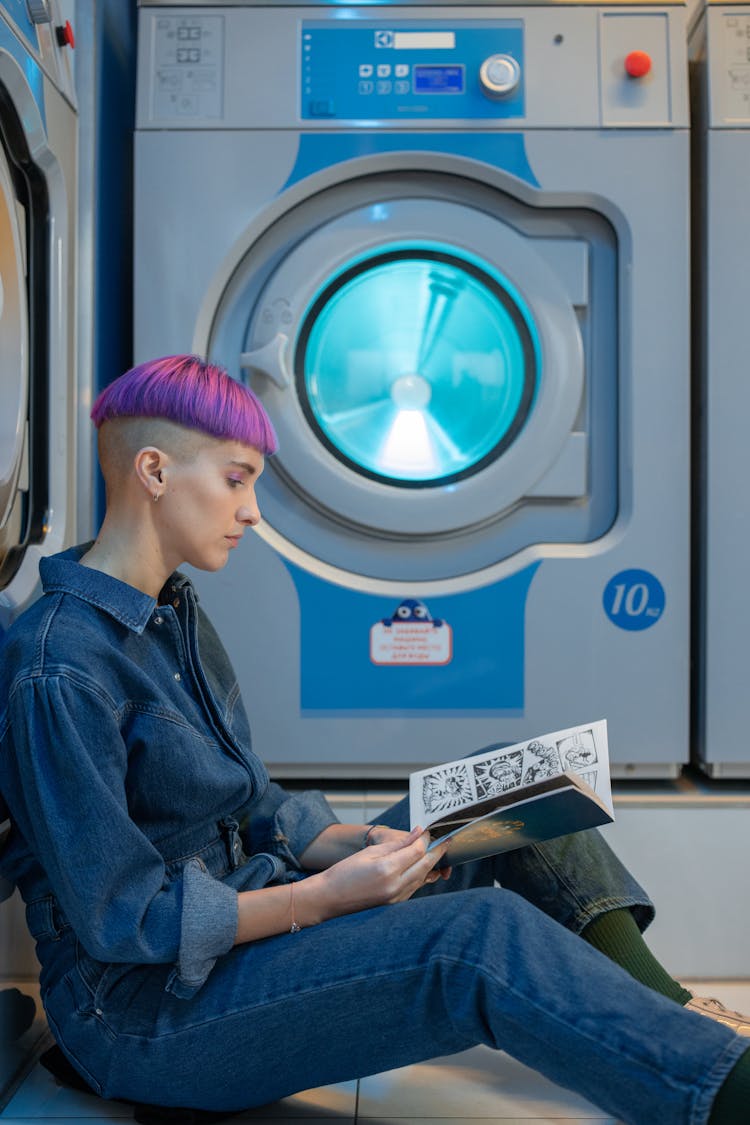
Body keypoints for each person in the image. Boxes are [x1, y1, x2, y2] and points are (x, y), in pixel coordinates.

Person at [0, 354, 748, 1125]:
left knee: (511, 787)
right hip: (145, 1014)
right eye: (236, 478)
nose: (252, 510)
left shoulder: (170, 611)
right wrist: (323, 900)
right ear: (154, 471)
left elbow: (247, 797)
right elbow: (126, 918)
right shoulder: (59, 669)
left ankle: (685, 1015)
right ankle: (725, 1091)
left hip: (246, 914)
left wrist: (343, 843)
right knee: (477, 939)